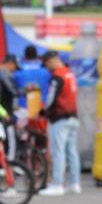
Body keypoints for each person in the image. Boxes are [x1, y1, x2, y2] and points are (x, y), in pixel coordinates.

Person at [38, 50, 81, 196]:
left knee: (58, 152)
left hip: (59, 117)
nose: (47, 68)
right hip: (73, 117)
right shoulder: (70, 73)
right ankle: (74, 183)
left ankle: (57, 184)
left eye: (46, 64)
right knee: (72, 152)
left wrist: (43, 111)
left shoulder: (57, 76)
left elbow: (51, 98)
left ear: (51, 60)